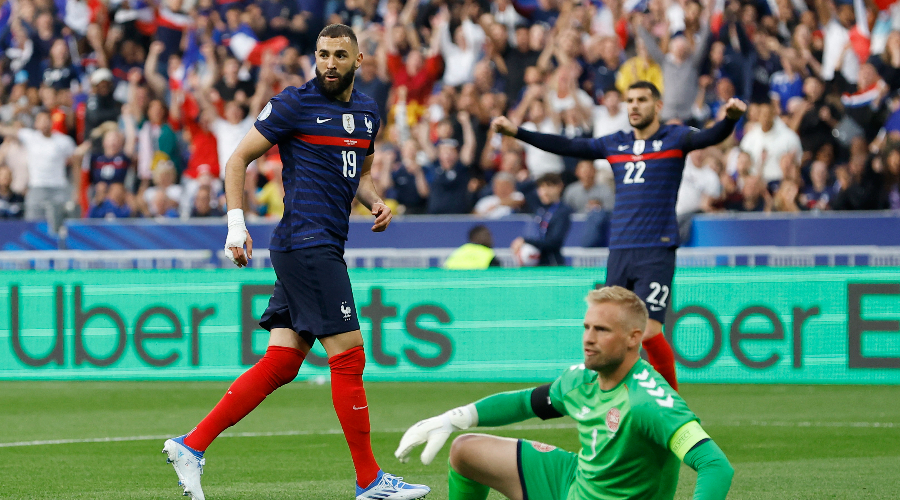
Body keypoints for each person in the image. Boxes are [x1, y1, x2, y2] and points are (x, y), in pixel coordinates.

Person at [161, 24, 430, 500]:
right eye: (323, 53)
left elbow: (359, 175)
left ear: (358, 59)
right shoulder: (294, 104)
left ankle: (191, 445)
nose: (329, 62)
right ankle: (369, 480)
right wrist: (236, 225)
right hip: (307, 243)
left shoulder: (367, 113)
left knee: (283, 362)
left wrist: (376, 202)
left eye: (339, 55)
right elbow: (237, 159)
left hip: (317, 243)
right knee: (349, 355)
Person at [491, 81, 747, 390]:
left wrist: (730, 119)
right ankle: (613, 399)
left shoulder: (675, 138)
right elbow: (567, 146)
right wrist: (518, 132)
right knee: (609, 331)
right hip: (620, 250)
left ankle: (672, 408)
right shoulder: (616, 143)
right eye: (630, 100)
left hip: (656, 249)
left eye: (642, 100)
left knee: (649, 331)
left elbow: (710, 136)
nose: (635, 106)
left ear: (658, 106)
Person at [395, 286, 734, 500]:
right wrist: (455, 418)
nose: (588, 338)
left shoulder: (649, 401)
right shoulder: (580, 379)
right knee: (465, 450)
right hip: (573, 479)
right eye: (586, 327)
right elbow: (524, 403)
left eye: (601, 330)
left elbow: (715, 466)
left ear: (634, 338)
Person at [511, 173, 572, 266]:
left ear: (559, 187)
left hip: (553, 263)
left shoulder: (562, 211)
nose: (545, 191)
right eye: (541, 187)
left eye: (549, 186)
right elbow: (521, 188)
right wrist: (535, 179)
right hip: (538, 262)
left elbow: (554, 242)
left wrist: (526, 241)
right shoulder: (540, 207)